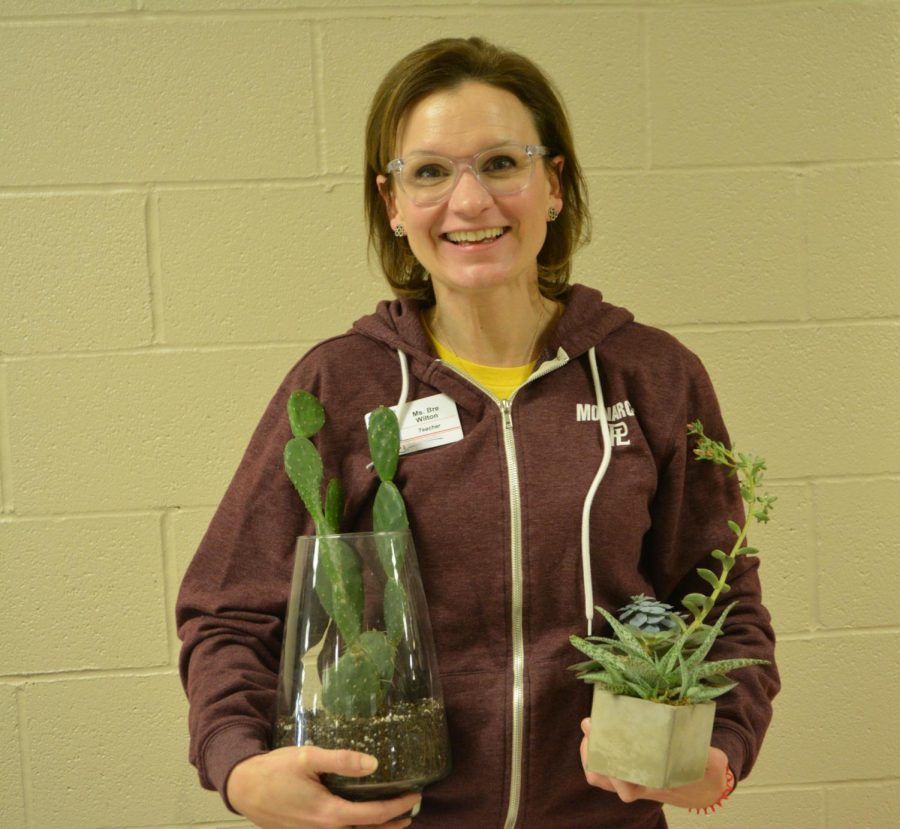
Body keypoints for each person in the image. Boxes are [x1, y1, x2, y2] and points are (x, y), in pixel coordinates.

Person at [177, 36, 780, 829]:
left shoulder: (652, 375)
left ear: (553, 184)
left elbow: (721, 600)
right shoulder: (339, 385)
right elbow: (228, 608)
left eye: (501, 163)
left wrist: (723, 749)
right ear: (392, 204)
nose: (470, 202)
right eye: (429, 172)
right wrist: (239, 763)